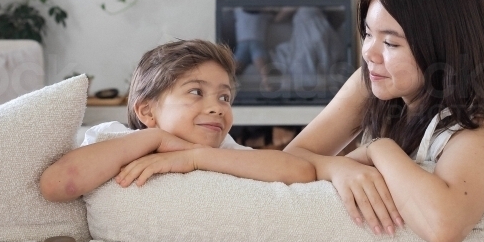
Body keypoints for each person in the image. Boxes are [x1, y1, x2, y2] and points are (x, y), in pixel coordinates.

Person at [284, 0, 484, 242]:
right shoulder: (372, 81)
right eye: (368, 33)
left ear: (443, 49)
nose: (369, 53)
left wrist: (379, 149)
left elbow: (444, 228)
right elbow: (292, 158)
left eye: (391, 44)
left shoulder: (477, 125)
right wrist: (337, 168)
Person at [40, 39, 315, 201]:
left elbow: (301, 171)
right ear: (147, 112)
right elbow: (57, 184)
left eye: (225, 97)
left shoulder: (224, 151)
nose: (218, 108)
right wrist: (155, 139)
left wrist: (196, 158)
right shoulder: (118, 139)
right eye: (196, 92)